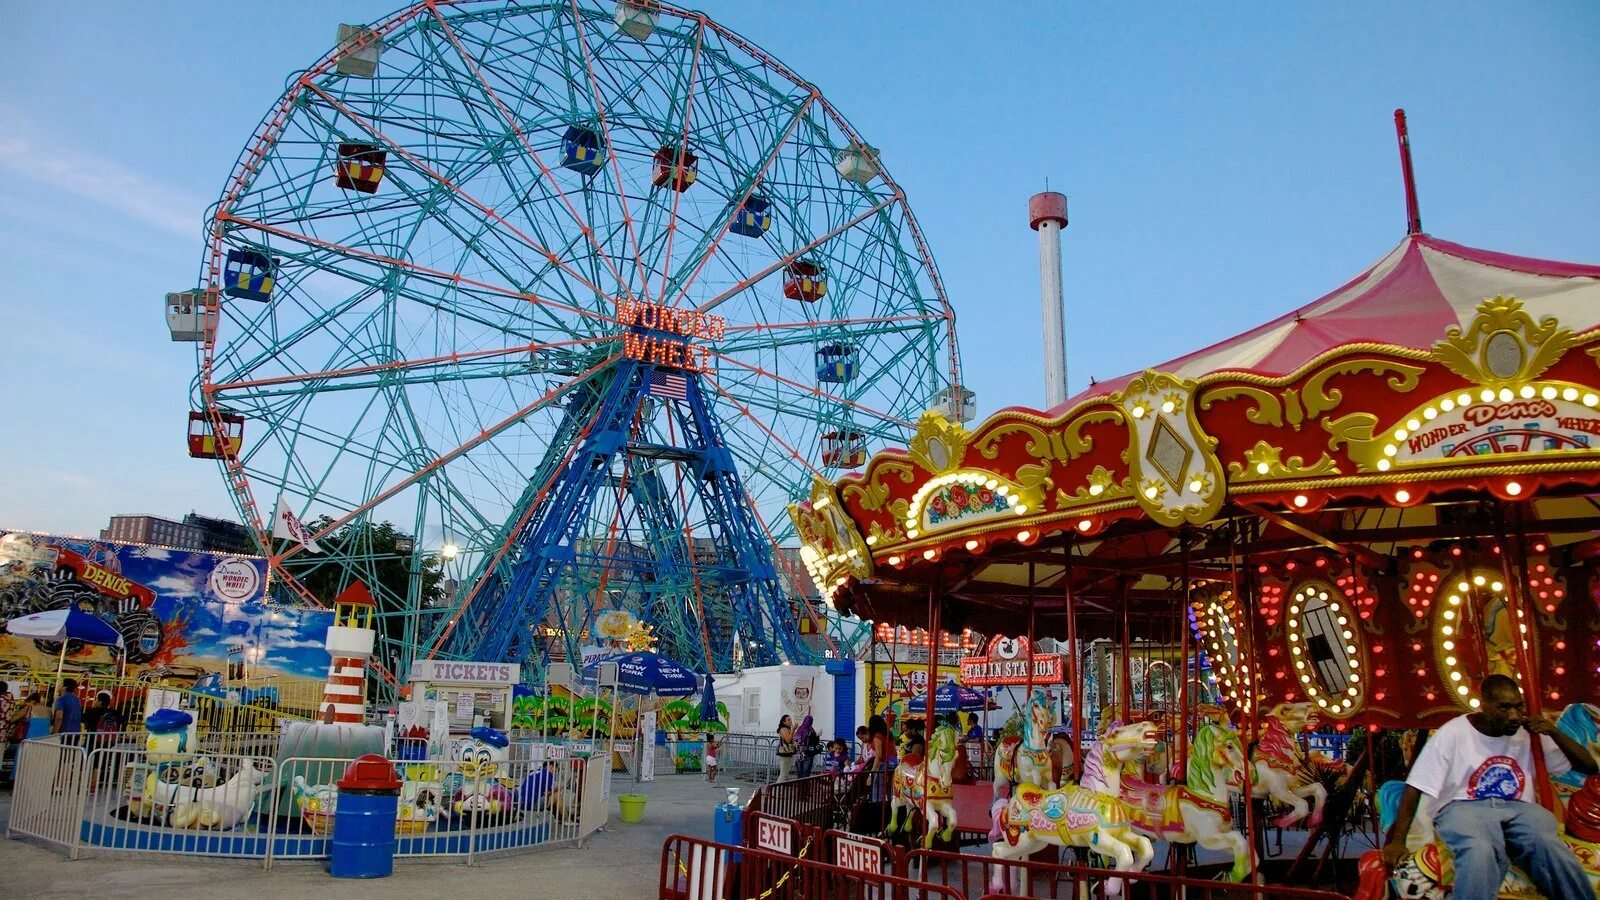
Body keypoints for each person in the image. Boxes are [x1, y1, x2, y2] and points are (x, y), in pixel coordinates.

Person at [1381, 674, 1596, 900]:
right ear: (1484, 705)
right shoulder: (1453, 733)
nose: (1514, 715)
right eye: (1504, 708)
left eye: (1518, 706)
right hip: (1463, 807)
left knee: (1551, 846)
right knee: (1479, 851)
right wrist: (1398, 841)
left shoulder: (1529, 733)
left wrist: (1553, 731)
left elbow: (1589, 767)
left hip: (1519, 807)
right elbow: (1416, 785)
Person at [867, 715, 894, 801]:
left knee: (878, 791)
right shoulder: (889, 734)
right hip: (893, 762)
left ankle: (878, 811)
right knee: (890, 791)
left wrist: (871, 774)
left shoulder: (877, 736)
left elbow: (879, 755)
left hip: (884, 764)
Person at [775, 715, 796, 781]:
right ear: (784, 722)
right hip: (784, 753)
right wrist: (793, 730)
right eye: (788, 720)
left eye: (790, 719)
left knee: (786, 774)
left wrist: (793, 729)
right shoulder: (783, 729)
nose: (791, 721)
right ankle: (777, 790)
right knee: (783, 774)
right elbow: (788, 740)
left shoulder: (787, 729)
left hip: (788, 752)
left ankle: (781, 789)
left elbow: (791, 739)